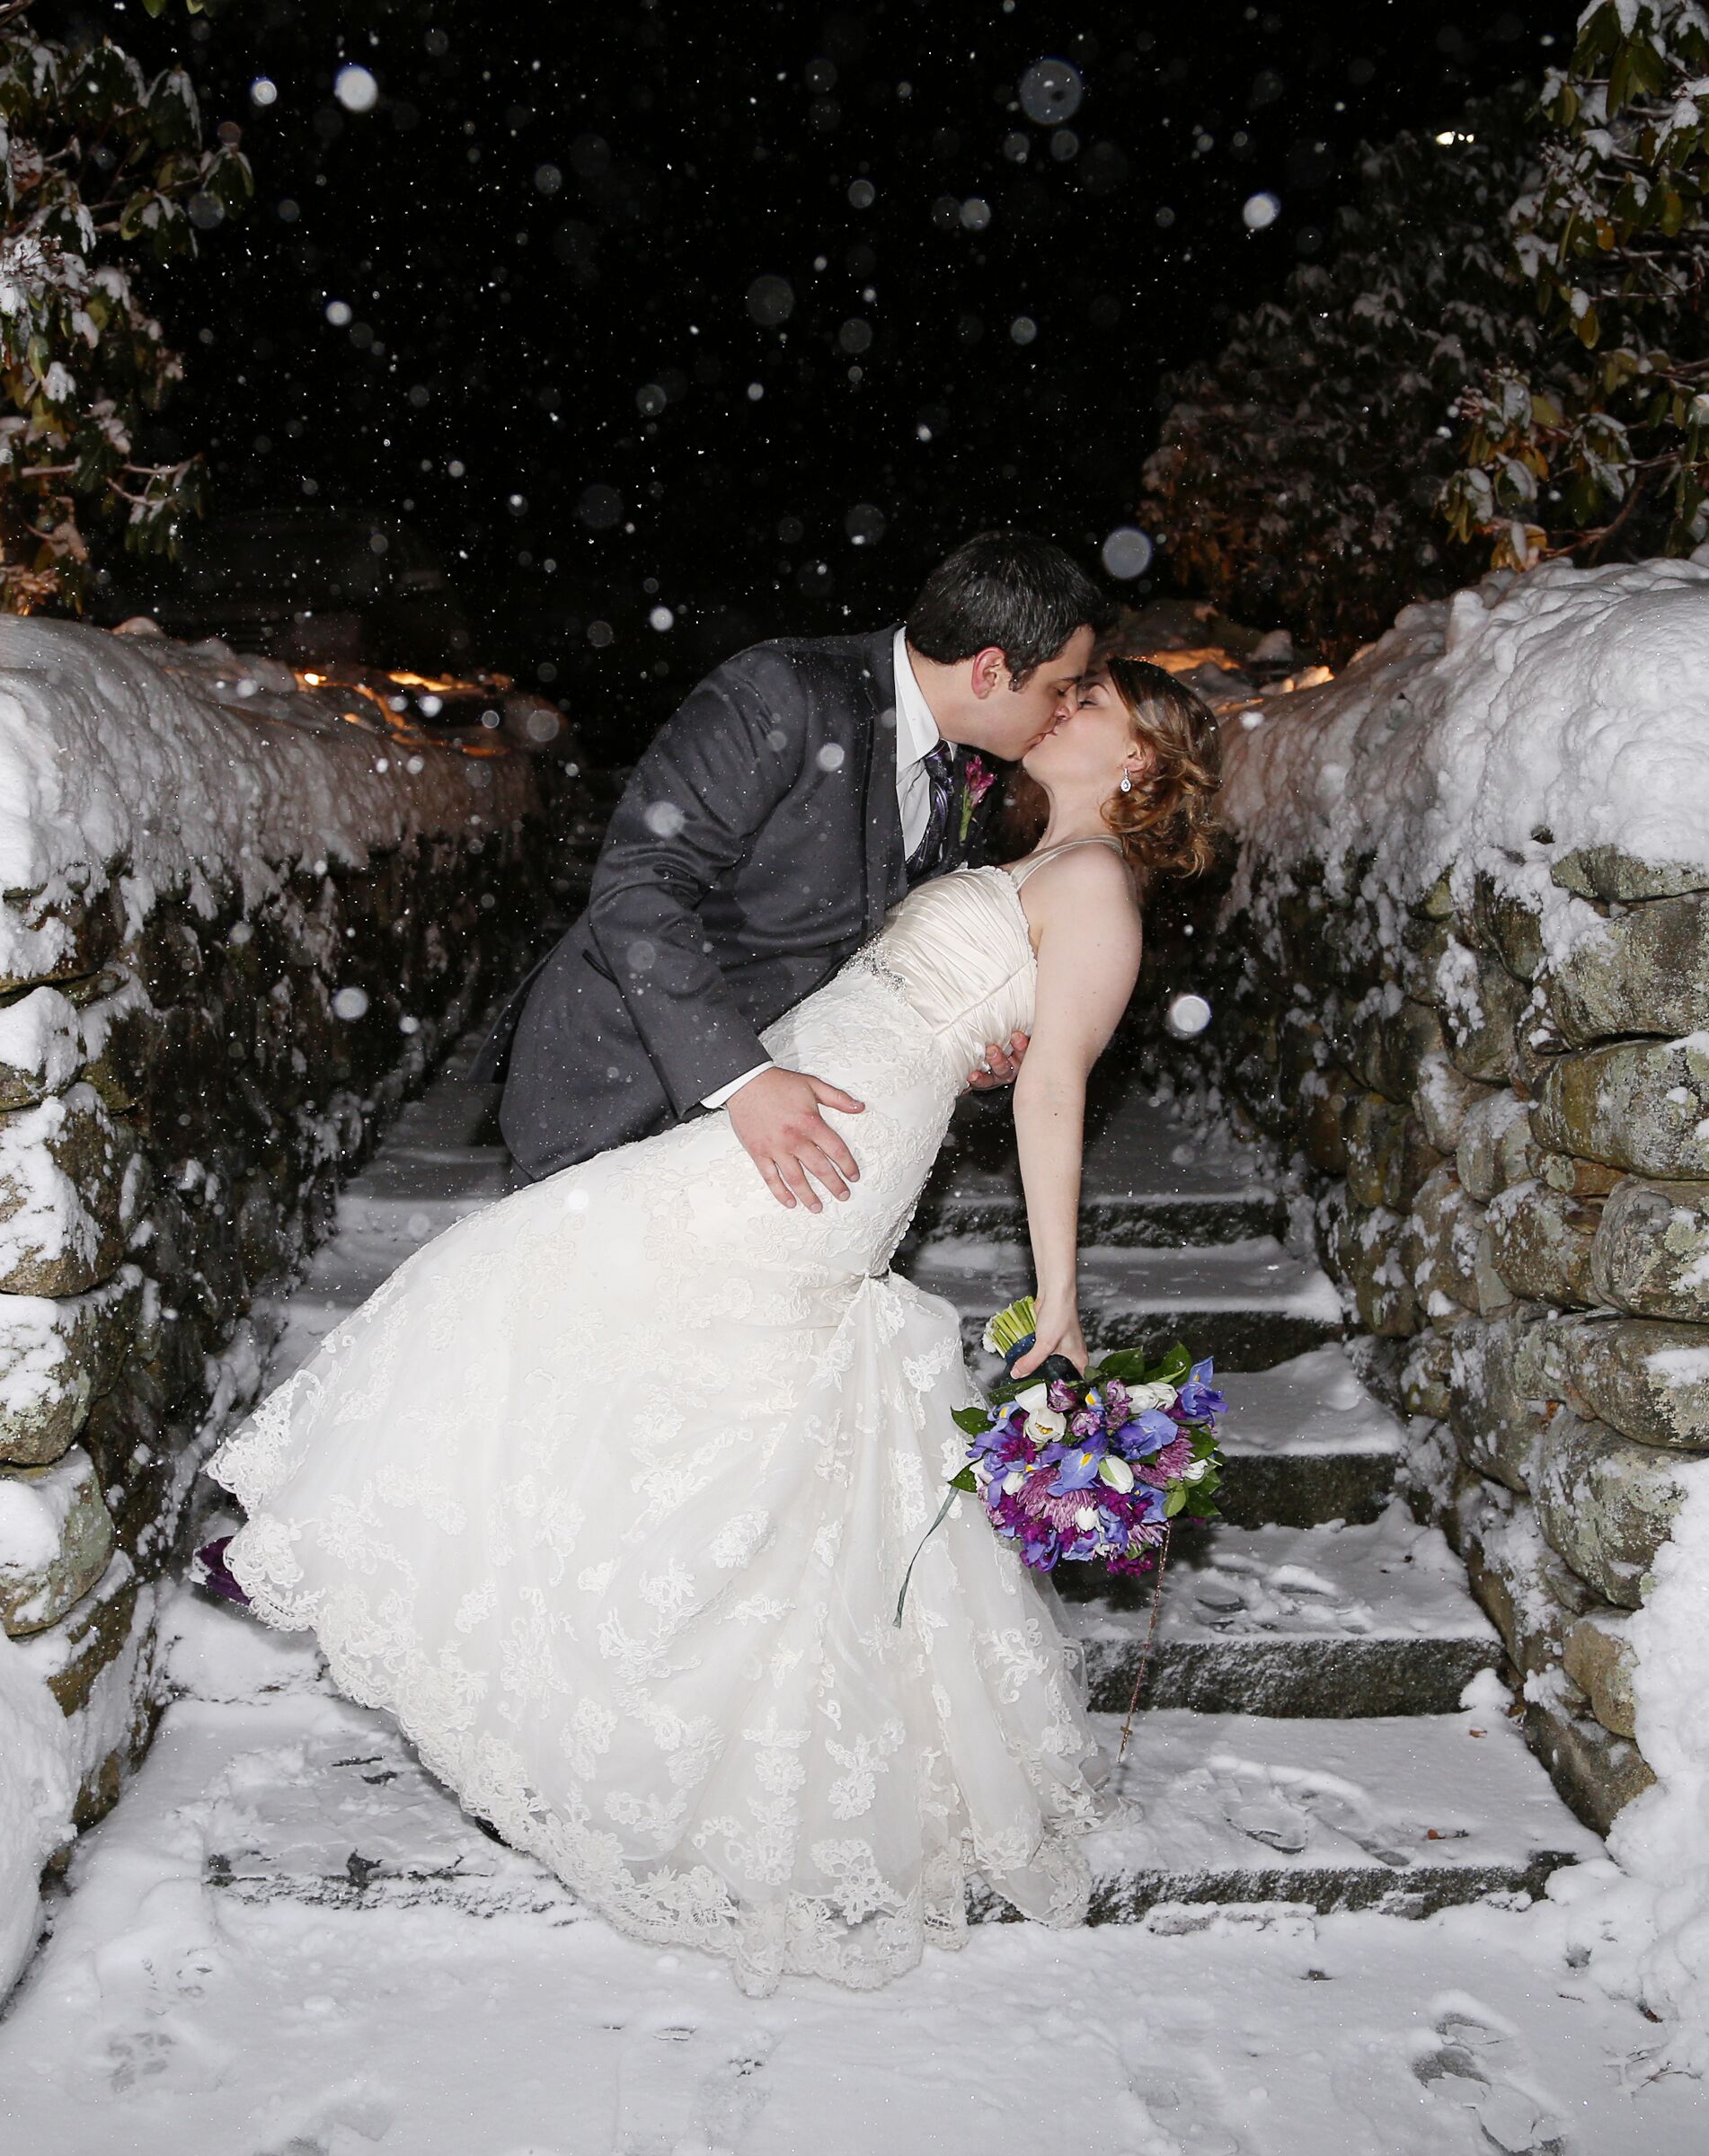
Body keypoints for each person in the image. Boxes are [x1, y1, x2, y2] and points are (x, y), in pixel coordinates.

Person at [206, 659, 1226, 1994]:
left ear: (1141, 765)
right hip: (791, 1109)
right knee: (610, 1330)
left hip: (822, 1166)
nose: (1064, 707)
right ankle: (458, 1586)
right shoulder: (1036, 854)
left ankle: (376, 1552)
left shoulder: (1098, 890)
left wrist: (1063, 1307)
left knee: (538, 1271)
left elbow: (1051, 1102)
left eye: (1095, 706)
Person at [491, 534, 1109, 1191]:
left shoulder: (959, 766)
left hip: (785, 1116)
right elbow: (638, 889)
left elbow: (881, 942)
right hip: (625, 1077)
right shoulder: (784, 693)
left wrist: (967, 1046)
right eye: (1062, 688)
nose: (1066, 710)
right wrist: (743, 1079)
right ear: (990, 671)